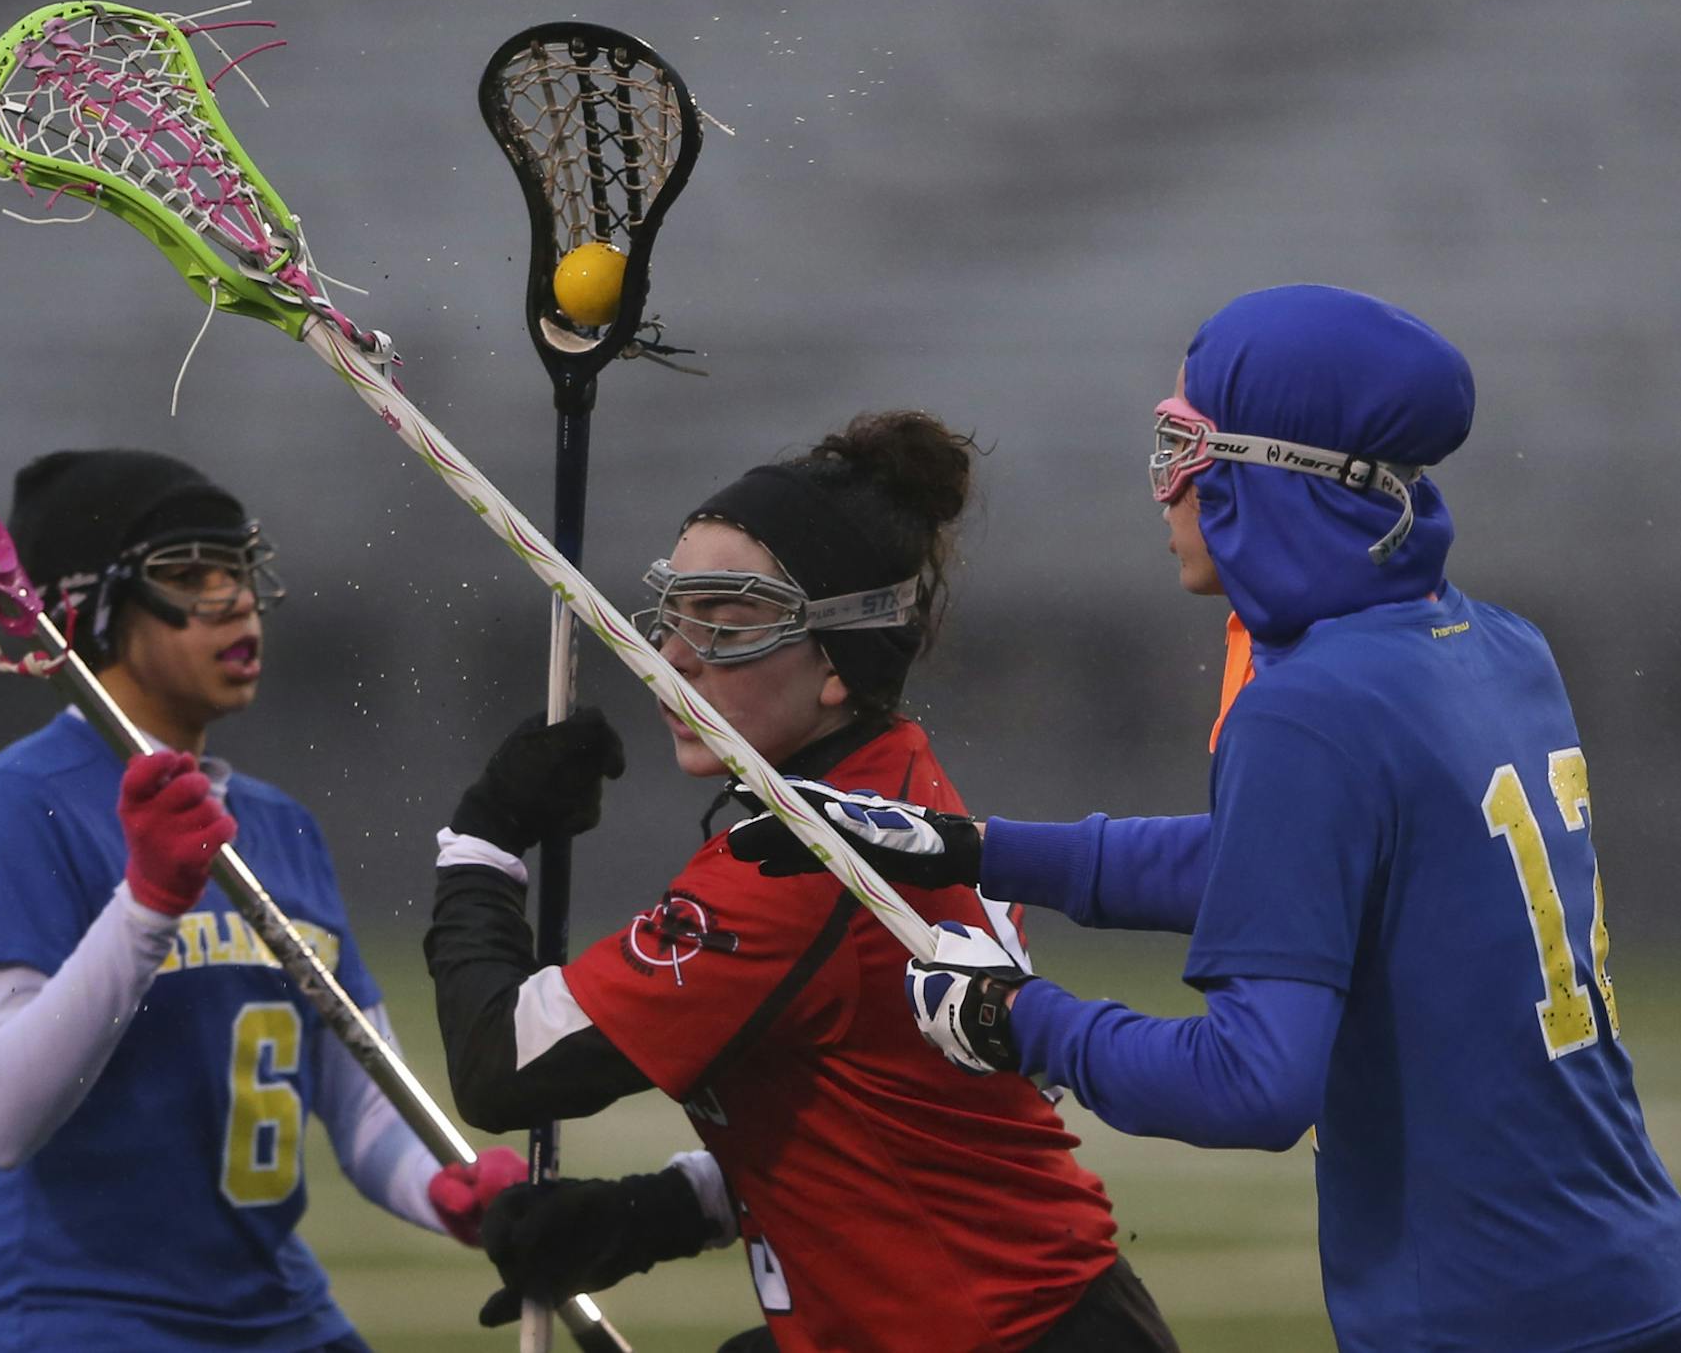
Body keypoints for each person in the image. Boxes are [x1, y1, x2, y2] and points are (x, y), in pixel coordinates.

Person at [730, 287, 1681, 1353]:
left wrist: (1018, 1021)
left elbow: (1252, 1086)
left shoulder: (1310, 706)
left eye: (1184, 451)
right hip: (1641, 1280)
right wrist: (980, 854)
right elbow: (1285, 866)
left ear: (1268, 478)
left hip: (1496, 1322)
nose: (1165, 495)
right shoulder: (1496, 644)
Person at [424, 413, 1179, 1352]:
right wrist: (662, 1210)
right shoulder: (895, 792)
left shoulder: (799, 867)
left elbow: (503, 1067)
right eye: (672, 616)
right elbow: (891, 1118)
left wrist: (484, 842)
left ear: (838, 663)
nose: (675, 658)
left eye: (727, 623)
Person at [0, 449, 521, 1352]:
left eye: (237, 569)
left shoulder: (278, 828)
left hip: (273, 1311)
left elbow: (358, 1097)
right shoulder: (19, 806)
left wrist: (439, 1184)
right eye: (186, 575)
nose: (235, 598)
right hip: (77, 1311)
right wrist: (147, 903)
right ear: (88, 608)